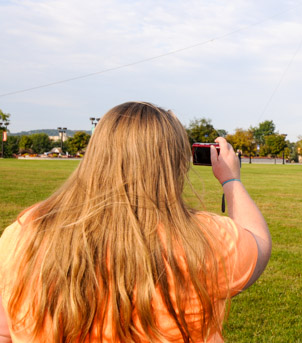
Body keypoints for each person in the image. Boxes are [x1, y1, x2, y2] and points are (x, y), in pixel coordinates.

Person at [0, 102, 271, 343]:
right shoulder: (205, 237)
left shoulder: (24, 232)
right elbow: (259, 242)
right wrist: (231, 180)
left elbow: (5, 331)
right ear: (174, 164)